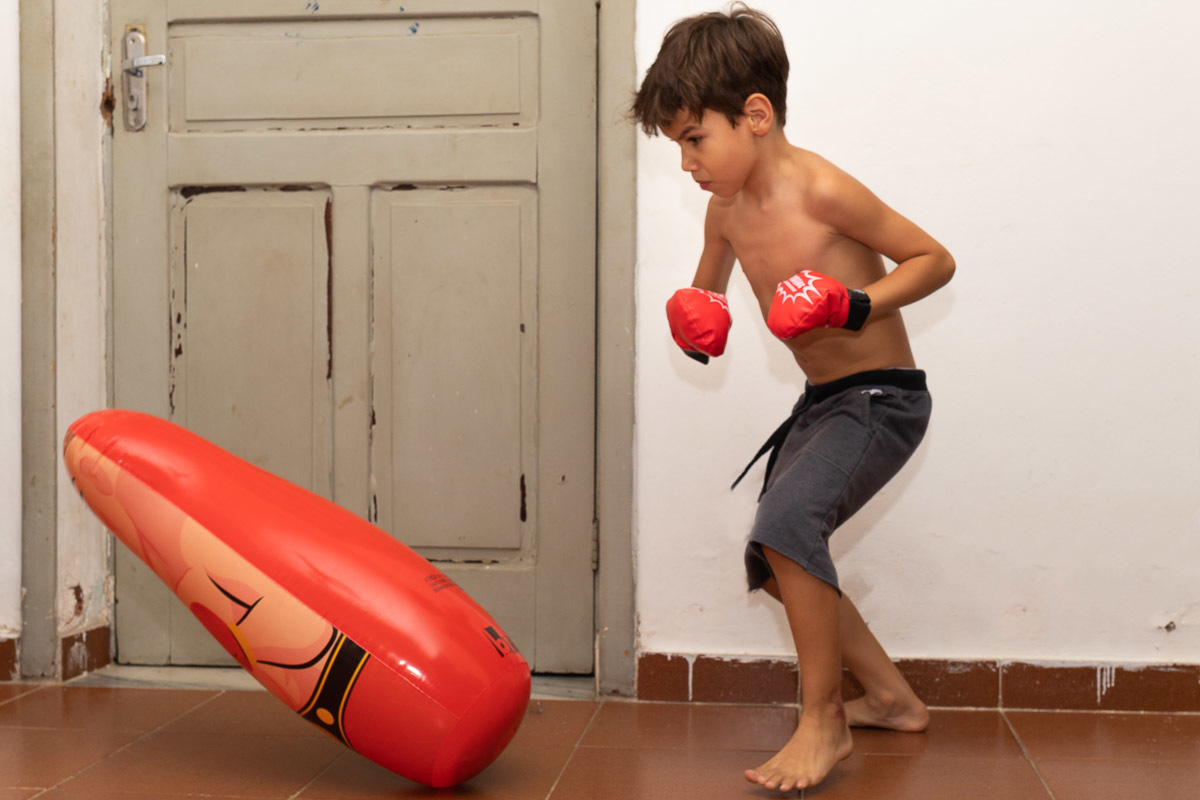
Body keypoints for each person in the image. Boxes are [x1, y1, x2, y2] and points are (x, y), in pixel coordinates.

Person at [632, 4, 956, 794]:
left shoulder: (822, 190)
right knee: (775, 559)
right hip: (824, 401)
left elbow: (933, 259)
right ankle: (890, 696)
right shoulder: (725, 211)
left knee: (786, 526)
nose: (687, 164)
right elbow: (705, 299)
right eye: (677, 146)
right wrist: (694, 322)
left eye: (693, 140)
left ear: (756, 114)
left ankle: (825, 721)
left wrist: (855, 305)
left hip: (883, 397)